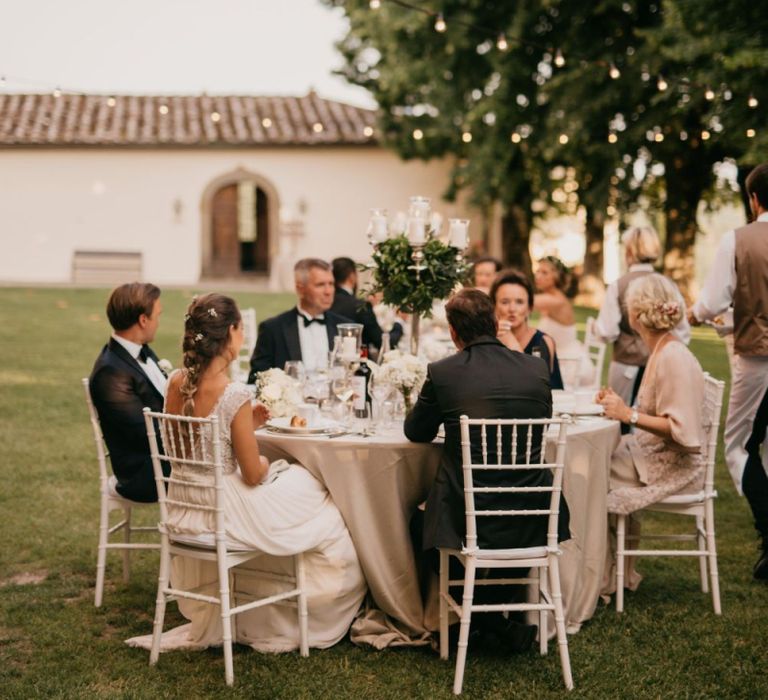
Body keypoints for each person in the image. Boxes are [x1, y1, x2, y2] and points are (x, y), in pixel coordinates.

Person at [130, 293, 366, 652]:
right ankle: (301, 608)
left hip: (183, 504)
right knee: (317, 492)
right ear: (231, 333)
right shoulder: (233, 393)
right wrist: (270, 462)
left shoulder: (176, 382)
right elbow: (253, 474)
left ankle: (261, 605)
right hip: (224, 509)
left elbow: (194, 443)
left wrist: (244, 425)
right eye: (240, 328)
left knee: (299, 487)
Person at [404, 288, 570, 651]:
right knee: (511, 537)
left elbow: (415, 431)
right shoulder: (536, 368)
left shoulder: (444, 373)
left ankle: (482, 619)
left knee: (420, 523)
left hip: (467, 514)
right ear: (496, 324)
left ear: (452, 331)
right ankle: (498, 621)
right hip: (533, 511)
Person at [596, 274, 705, 591]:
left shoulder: (673, 356)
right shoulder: (660, 349)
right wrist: (615, 404)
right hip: (647, 454)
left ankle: (602, 576)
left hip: (669, 467)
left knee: (588, 474)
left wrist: (626, 413)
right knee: (594, 462)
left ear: (635, 314)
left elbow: (681, 430)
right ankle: (613, 572)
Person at [688, 162, 768, 580]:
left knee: (738, 447)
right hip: (754, 344)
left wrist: (692, 315)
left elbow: (711, 301)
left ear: (754, 200)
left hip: (758, 360)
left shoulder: (739, 239)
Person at [89, 282, 168, 502]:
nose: (158, 323)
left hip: (164, 457)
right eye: (157, 316)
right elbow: (145, 435)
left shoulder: (141, 350)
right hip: (145, 474)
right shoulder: (110, 372)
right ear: (143, 320)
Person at [594, 226, 690, 409]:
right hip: (662, 368)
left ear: (629, 251)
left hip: (625, 365)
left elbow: (607, 332)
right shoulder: (667, 285)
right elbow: (683, 333)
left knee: (618, 417)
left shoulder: (618, 285)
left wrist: (596, 329)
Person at [248, 258, 350, 381]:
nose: (328, 291)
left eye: (331, 284)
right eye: (320, 285)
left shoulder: (345, 328)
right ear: (300, 289)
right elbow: (256, 379)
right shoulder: (273, 329)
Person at [490, 269, 564, 390]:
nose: (512, 309)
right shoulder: (486, 340)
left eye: (519, 302)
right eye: (505, 302)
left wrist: (510, 341)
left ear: (529, 308)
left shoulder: (543, 342)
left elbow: (538, 389)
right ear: (493, 306)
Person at [330, 256, 403, 353]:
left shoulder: (325, 303)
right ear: (352, 276)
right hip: (358, 364)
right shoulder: (360, 306)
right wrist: (399, 321)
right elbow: (383, 344)